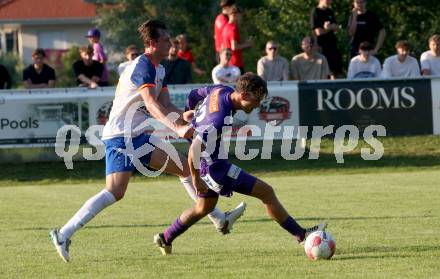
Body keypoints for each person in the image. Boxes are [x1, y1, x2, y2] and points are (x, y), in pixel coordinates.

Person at [50, 20, 245, 263]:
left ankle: (218, 218)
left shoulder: (159, 68)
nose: (171, 44)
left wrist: (187, 119)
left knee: (185, 168)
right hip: (121, 136)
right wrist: (177, 128)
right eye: (166, 40)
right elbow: (151, 105)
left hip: (139, 136)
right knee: (115, 191)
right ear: (152, 44)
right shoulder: (142, 66)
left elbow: (165, 105)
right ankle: (63, 233)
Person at [153, 73, 327, 255]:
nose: (258, 104)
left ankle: (166, 237)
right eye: (256, 100)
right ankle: (302, 235)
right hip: (215, 168)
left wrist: (190, 113)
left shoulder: (222, 90)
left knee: (203, 208)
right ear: (243, 96)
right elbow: (194, 149)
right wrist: (196, 180)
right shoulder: (218, 119)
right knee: (267, 193)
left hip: (208, 163)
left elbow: (195, 94)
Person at [310, 0, 343, 78]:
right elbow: (317, 32)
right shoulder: (315, 11)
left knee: (335, 71)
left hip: (332, 45)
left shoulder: (330, 11)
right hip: (321, 47)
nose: (329, 1)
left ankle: (334, 88)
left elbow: (336, 27)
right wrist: (328, 29)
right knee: (324, 72)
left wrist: (331, 27)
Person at [221, 5, 252, 73]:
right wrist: (247, 44)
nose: (241, 18)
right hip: (236, 65)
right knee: (242, 83)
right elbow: (234, 47)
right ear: (234, 15)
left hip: (228, 64)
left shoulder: (225, 28)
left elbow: (222, 46)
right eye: (240, 16)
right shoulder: (233, 29)